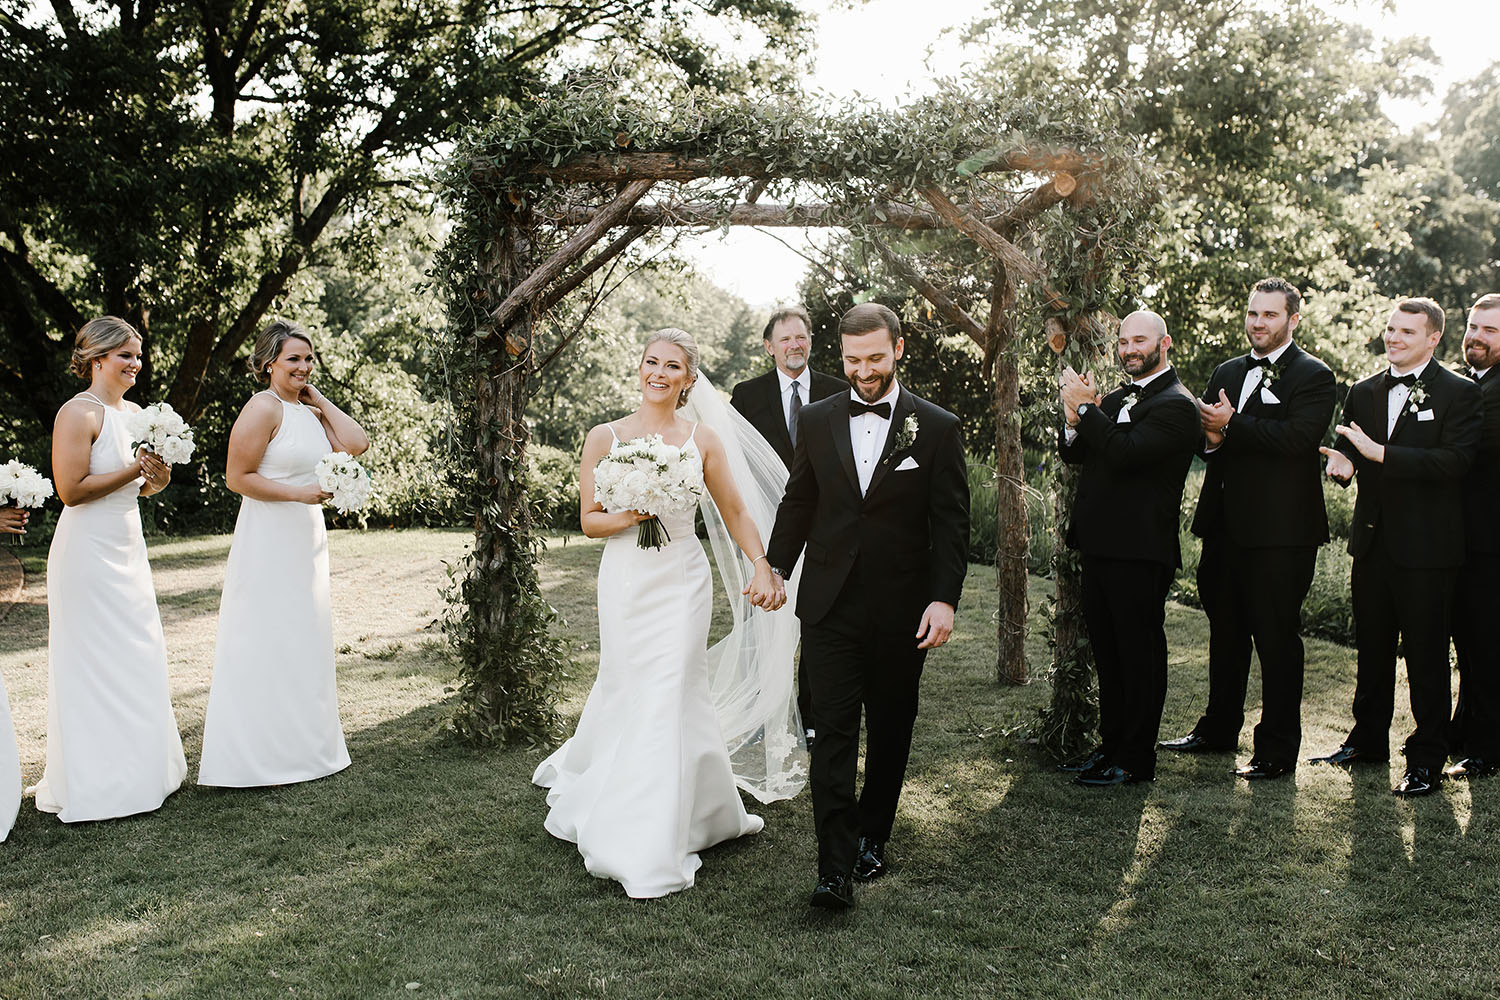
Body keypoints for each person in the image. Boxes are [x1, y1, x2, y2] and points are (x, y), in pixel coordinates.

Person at [533, 328, 804, 899]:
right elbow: (589, 520)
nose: (659, 372)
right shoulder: (603, 436)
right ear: (640, 368)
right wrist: (635, 509)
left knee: (675, 683)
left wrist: (761, 563)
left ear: (687, 379)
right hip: (627, 578)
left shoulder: (702, 438)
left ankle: (678, 820)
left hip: (683, 577)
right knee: (632, 683)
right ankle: (636, 810)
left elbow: (732, 509)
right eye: (651, 361)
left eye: (673, 366)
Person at [765, 302, 970, 910]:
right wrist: (775, 565)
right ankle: (833, 868)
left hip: (903, 610)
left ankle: (872, 835)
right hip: (828, 605)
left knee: (889, 728)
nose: (864, 372)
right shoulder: (818, 417)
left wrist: (943, 599)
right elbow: (800, 502)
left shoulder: (935, 427)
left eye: (875, 358)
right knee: (831, 730)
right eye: (853, 360)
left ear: (899, 349)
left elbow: (951, 525)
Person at [1161, 278, 1335, 779]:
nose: (1259, 323)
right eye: (1254, 314)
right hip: (1224, 529)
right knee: (1226, 633)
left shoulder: (1314, 375)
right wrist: (1212, 437)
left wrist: (1232, 426)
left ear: (1292, 320)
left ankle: (1277, 751)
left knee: (1277, 640)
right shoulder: (1228, 370)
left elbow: (1299, 440)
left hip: (1282, 535)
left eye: (1270, 315)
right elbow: (1212, 442)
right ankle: (1217, 731)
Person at [1311, 298, 1481, 796]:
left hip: (1429, 551)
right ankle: (1367, 741)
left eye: (1407, 331)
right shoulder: (1362, 392)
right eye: (1390, 329)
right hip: (1372, 544)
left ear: (1434, 338)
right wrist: (1343, 467)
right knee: (1373, 650)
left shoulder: (1460, 393)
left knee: (1426, 656)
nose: (1395, 337)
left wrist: (1379, 454)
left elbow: (1455, 463)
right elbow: (1350, 452)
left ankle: (1426, 757)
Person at [198, 320, 369, 788]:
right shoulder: (263, 407)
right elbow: (238, 477)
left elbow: (356, 443)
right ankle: (258, 755)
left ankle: (304, 749)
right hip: (269, 534)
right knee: (265, 635)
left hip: (305, 538)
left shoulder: (309, 413)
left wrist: (319, 399)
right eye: (293, 358)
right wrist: (298, 495)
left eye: (309, 358)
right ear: (268, 362)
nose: (303, 366)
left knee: (302, 635)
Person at [32, 316, 187, 822]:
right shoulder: (79, 413)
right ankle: (99, 781)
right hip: (86, 551)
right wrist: (133, 470)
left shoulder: (139, 414)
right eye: (126, 355)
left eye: (138, 356)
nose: (135, 364)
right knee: (94, 661)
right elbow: (71, 490)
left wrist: (156, 480)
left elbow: (142, 490)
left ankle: (143, 771)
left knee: (137, 652)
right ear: (97, 358)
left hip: (127, 543)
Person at [1057, 310, 1199, 788]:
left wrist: (1086, 410)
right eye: (1123, 341)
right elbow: (1076, 452)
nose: (1129, 349)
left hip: (1140, 552)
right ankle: (1110, 747)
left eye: (1139, 340)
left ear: (1165, 344)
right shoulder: (1115, 397)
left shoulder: (1179, 406)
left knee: (1138, 657)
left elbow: (1126, 452)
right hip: (1100, 548)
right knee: (1109, 654)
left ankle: (1137, 760)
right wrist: (1072, 415)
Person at [730, 306, 845, 747]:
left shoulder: (839, 390)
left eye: (801, 337)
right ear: (768, 346)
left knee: (816, 620)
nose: (794, 345)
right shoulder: (747, 394)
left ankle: (812, 717)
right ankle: (759, 709)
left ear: (811, 342)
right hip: (766, 525)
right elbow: (737, 466)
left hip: (825, 528)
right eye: (785, 339)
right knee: (760, 620)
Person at [1446, 294, 1500, 780]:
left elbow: (1470, 451)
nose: (1477, 337)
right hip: (1463, 539)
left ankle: (1486, 747)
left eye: (1491, 331)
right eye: (1474, 327)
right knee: (1468, 641)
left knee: (1487, 644)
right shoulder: (1467, 383)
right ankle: (1463, 731)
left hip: (1492, 543)